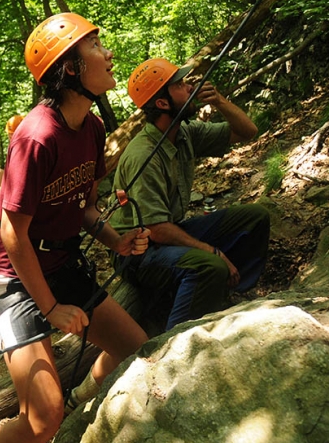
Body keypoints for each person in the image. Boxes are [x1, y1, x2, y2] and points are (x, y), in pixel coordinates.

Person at [0, 13, 151, 442]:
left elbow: (85, 208)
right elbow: (12, 233)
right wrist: (52, 309)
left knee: (137, 349)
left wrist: (117, 240)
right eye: (96, 46)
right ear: (71, 69)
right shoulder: (36, 137)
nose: (108, 54)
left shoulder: (92, 128)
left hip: (60, 264)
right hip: (12, 280)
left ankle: (81, 406)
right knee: (42, 417)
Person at [110, 57, 269, 331]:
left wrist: (219, 101)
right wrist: (213, 252)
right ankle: (176, 339)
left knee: (255, 217)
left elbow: (248, 132)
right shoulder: (143, 154)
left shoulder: (183, 132)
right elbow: (156, 228)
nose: (191, 86)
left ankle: (226, 292)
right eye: (181, 85)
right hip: (138, 252)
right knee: (209, 264)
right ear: (162, 103)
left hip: (166, 233)